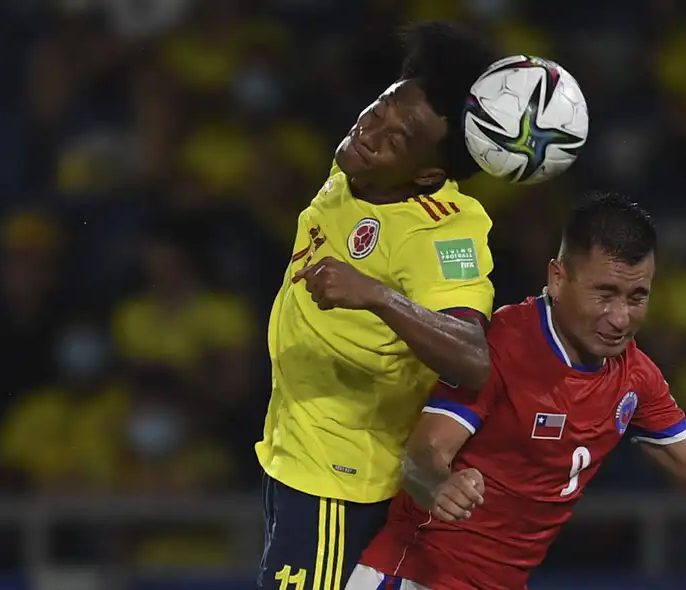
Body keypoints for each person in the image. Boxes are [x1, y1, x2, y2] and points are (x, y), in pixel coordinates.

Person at [348, 192, 686, 590]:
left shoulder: (634, 377)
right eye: (604, 294)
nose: (620, 317)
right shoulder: (500, 346)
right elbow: (423, 453)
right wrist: (439, 486)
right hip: (414, 577)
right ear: (558, 278)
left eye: (637, 297)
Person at [255, 22, 501, 590]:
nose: (374, 128)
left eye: (400, 135)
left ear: (428, 174)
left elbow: (472, 359)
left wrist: (378, 295)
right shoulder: (356, 169)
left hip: (344, 485)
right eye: (384, 106)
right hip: (295, 456)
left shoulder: (442, 236)